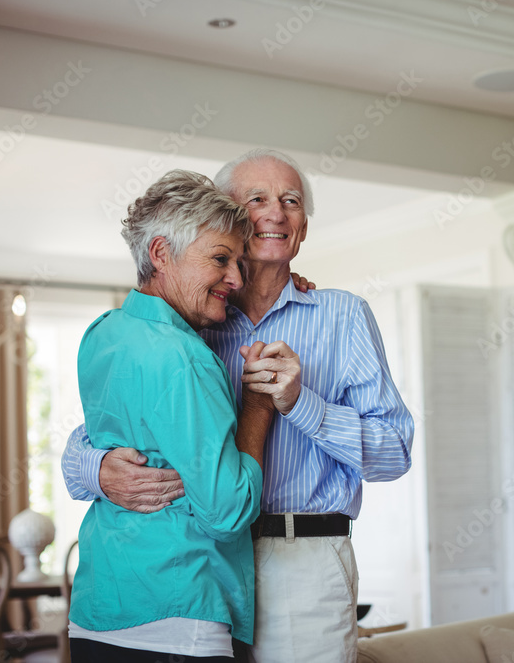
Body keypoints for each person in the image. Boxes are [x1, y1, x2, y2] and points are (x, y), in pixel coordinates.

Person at [63, 149, 414, 662]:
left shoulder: (343, 316)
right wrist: (94, 468)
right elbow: (119, 422)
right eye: (257, 199)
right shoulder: (191, 320)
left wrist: (301, 404)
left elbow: (395, 453)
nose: (276, 213)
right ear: (224, 216)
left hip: (300, 564)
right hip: (204, 570)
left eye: (291, 201)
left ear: (304, 226)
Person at [68, 170, 271, 662]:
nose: (236, 279)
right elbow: (227, 510)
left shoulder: (100, 334)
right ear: (160, 253)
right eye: (220, 259)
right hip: (177, 615)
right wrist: (258, 407)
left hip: (96, 609)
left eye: (240, 263)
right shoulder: (184, 357)